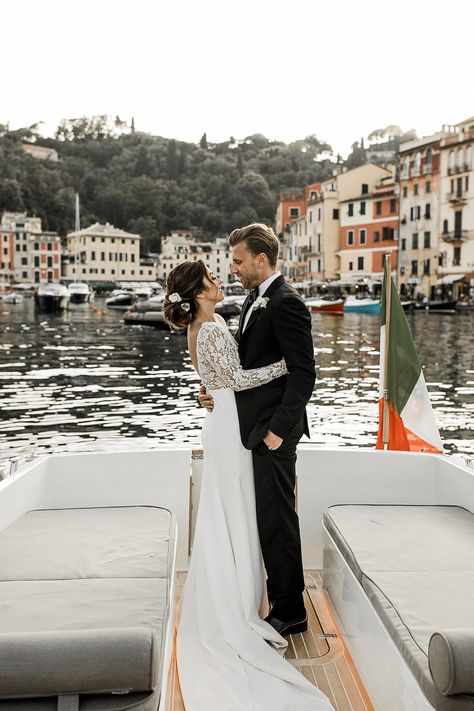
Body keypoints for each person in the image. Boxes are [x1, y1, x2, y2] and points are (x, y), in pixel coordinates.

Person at [164, 259, 333, 710]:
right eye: (213, 277)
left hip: (230, 422)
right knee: (235, 510)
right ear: (198, 291)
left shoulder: (215, 321)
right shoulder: (212, 325)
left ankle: (252, 597)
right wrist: (281, 367)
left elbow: (219, 380)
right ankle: (243, 602)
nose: (223, 277)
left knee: (235, 509)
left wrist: (213, 391)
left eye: (233, 264)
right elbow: (235, 378)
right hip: (231, 427)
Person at [200, 223, 315, 636]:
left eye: (238, 260)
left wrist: (278, 431)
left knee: (278, 520)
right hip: (253, 427)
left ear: (260, 260)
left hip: (273, 432)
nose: (233, 268)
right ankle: (281, 599)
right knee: (268, 518)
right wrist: (219, 395)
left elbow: (304, 374)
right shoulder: (254, 300)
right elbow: (246, 370)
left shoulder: (286, 303)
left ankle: (291, 611)